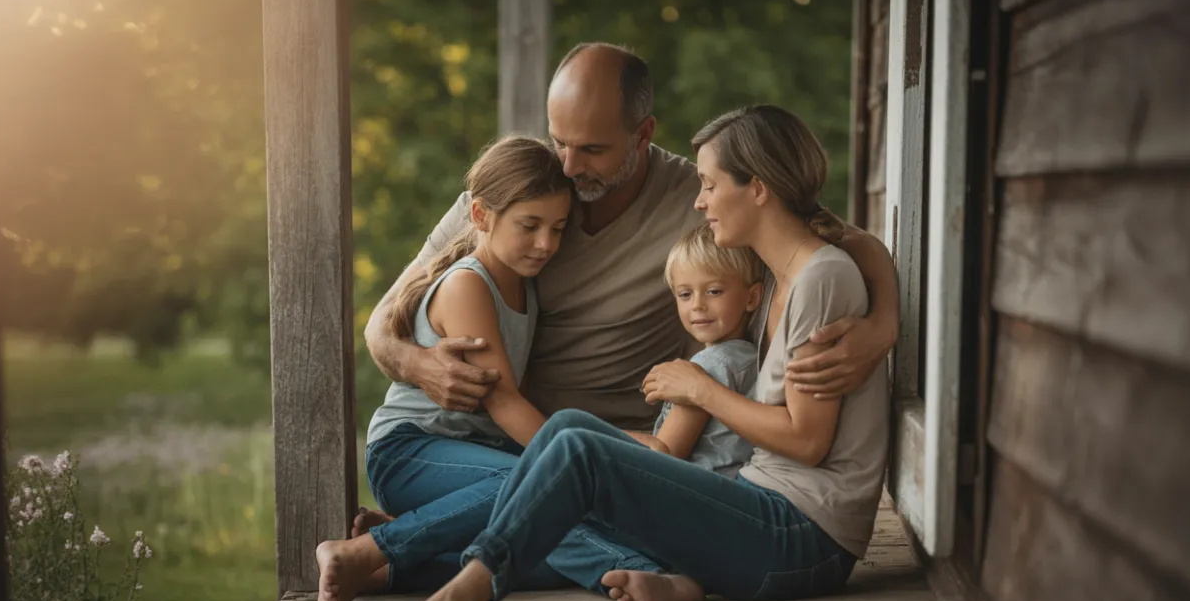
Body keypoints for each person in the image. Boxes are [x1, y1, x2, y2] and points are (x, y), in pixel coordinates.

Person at [340, 104, 891, 601]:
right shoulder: (773, 274)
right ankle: (412, 572)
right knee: (568, 433)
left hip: (802, 535)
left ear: (759, 189)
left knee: (575, 450)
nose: (698, 201)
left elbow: (807, 441)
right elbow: (860, 243)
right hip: (764, 506)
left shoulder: (820, 276)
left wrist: (700, 389)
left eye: (709, 185)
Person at [362, 41, 898, 442]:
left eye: (592, 149)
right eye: (559, 141)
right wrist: (417, 365)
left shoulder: (701, 199)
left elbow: (849, 241)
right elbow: (383, 321)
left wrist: (882, 327)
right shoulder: (514, 197)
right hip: (504, 441)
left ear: (643, 134)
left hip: (625, 441)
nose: (568, 167)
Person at [315, 136, 672, 601]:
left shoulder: (524, 286)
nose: (546, 243)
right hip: (409, 452)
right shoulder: (467, 285)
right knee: (543, 490)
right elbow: (506, 405)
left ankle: (395, 565)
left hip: (477, 459)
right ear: (481, 216)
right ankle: (367, 551)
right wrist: (612, 445)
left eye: (558, 228)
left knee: (547, 529)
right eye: (530, 226)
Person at [627, 222, 761, 479]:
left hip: (692, 495)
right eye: (685, 294)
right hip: (730, 488)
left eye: (713, 291)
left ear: (752, 297)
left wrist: (600, 435)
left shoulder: (710, 366)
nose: (698, 305)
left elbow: (662, 455)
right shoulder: (749, 356)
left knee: (570, 432)